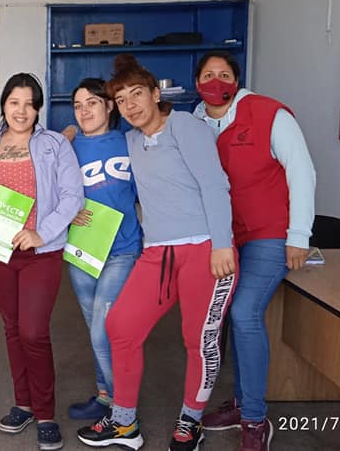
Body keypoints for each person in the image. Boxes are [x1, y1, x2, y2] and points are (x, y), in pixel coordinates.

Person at [76, 55, 237, 451]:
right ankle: (124, 423)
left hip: (205, 248)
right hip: (158, 252)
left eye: (137, 94)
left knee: (198, 339)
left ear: (155, 94)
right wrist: (68, 133)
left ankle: (190, 421)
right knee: (120, 326)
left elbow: (215, 184)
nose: (130, 105)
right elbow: (96, 145)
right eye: (122, 100)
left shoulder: (184, 126)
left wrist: (222, 243)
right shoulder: (131, 140)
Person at [192, 51, 315, 451]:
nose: (216, 81)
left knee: (245, 313)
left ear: (237, 80)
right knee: (227, 314)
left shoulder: (269, 114)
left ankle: (255, 419)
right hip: (224, 238)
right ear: (197, 83)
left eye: (224, 74)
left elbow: (302, 171)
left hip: (269, 234)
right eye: (207, 75)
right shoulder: (195, 122)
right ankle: (241, 402)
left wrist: (299, 235)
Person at [0, 73, 83, 451]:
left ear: (38, 109)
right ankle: (24, 404)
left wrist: (41, 233)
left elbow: (72, 197)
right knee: (12, 328)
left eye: (29, 104)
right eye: (14, 102)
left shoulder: (55, 144)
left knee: (33, 332)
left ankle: (46, 413)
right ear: (3, 104)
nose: (21, 111)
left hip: (41, 253)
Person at [64, 78, 142, 422]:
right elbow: (50, 193)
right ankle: (105, 396)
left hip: (122, 248)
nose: (84, 111)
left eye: (92, 103)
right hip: (82, 248)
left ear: (109, 106)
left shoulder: (130, 143)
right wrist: (67, 211)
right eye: (78, 106)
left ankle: (124, 412)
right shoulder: (65, 147)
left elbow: (149, 192)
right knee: (93, 325)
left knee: (103, 330)